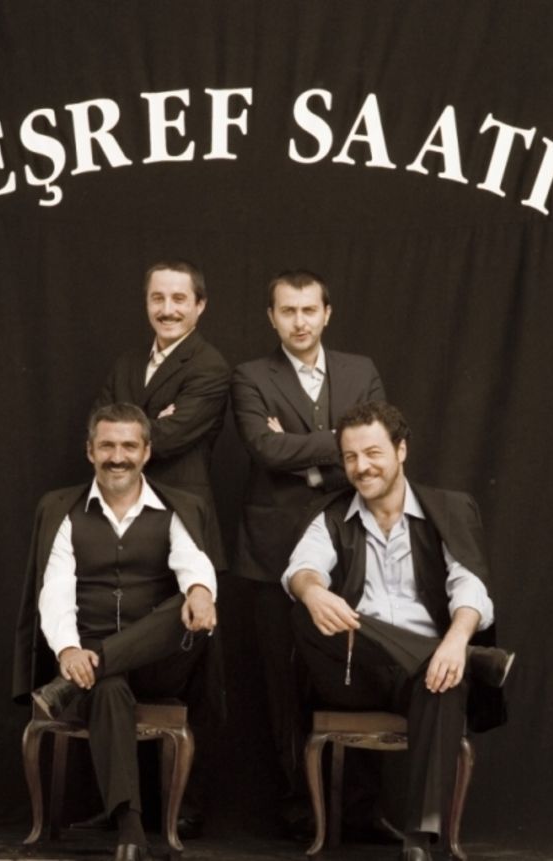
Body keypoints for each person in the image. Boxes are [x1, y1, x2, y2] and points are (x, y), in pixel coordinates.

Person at [283, 400, 514, 861]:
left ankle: (418, 841)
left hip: (423, 674)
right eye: (350, 457)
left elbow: (470, 586)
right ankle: (473, 661)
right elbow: (301, 568)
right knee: (304, 609)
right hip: (355, 671)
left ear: (401, 450)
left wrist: (456, 641)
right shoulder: (331, 515)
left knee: (445, 677)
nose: (361, 467)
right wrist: (312, 591)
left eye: (373, 453)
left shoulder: (447, 509)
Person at [12, 404, 220, 861]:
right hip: (88, 666)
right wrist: (69, 650)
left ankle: (91, 669)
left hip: (159, 664)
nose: (117, 456)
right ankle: (130, 829)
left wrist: (201, 593)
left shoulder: (175, 509)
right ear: (90, 451)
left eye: (129, 446)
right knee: (106, 686)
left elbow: (194, 563)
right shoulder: (64, 512)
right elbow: (55, 590)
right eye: (107, 445)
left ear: (146, 452)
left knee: (183, 602)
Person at [230, 269, 385, 827]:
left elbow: (377, 444)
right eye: (288, 311)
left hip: (350, 543)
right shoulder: (250, 375)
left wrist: (305, 456)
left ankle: (360, 812)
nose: (300, 321)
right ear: (272, 318)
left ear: (327, 313)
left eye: (309, 310)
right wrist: (339, 447)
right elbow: (264, 448)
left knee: (353, 673)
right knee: (283, 681)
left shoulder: (360, 370)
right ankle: (301, 809)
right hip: (272, 550)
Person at [94, 259, 230, 570]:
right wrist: (153, 420)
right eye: (158, 298)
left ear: (200, 305)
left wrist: (126, 424)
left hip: (179, 514)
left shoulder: (210, 366)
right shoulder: (126, 363)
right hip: (117, 512)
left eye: (179, 299)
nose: (167, 310)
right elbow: (97, 431)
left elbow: (168, 438)